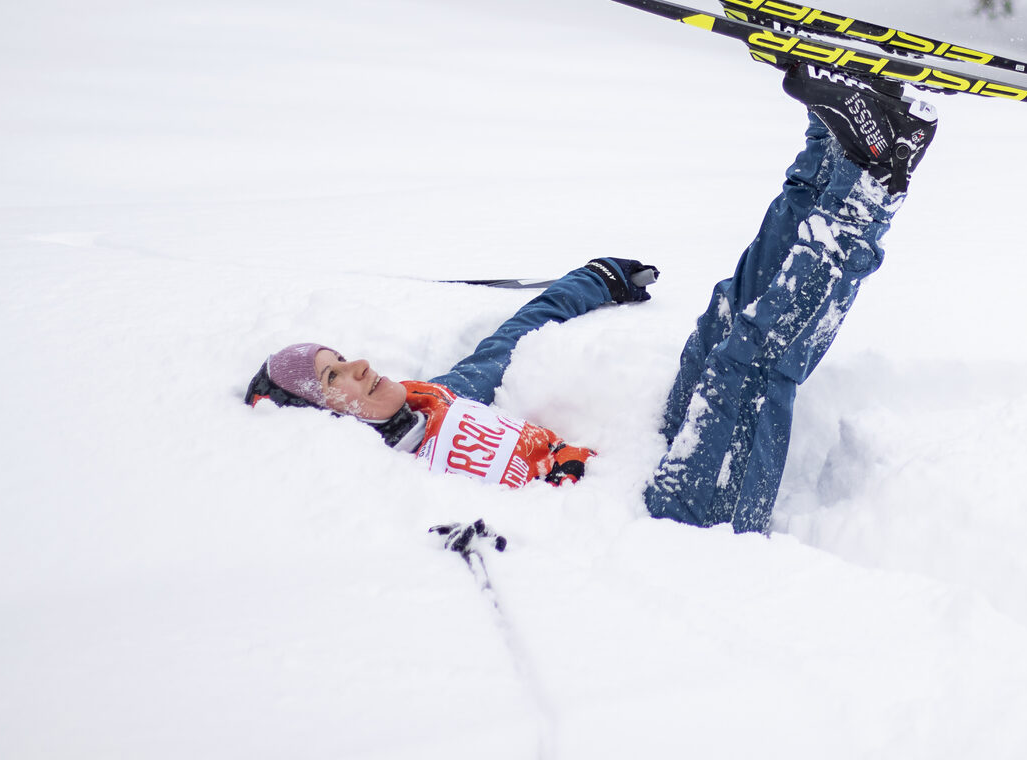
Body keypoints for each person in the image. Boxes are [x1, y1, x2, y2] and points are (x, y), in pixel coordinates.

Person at [245, 61, 937, 532]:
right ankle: (876, 179)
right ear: (322, 423)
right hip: (670, 529)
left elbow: (515, 335)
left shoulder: (443, 395)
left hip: (641, 478)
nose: (357, 368)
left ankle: (835, 149)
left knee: (725, 318)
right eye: (332, 378)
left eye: (342, 358)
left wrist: (594, 280)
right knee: (747, 365)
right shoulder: (394, 484)